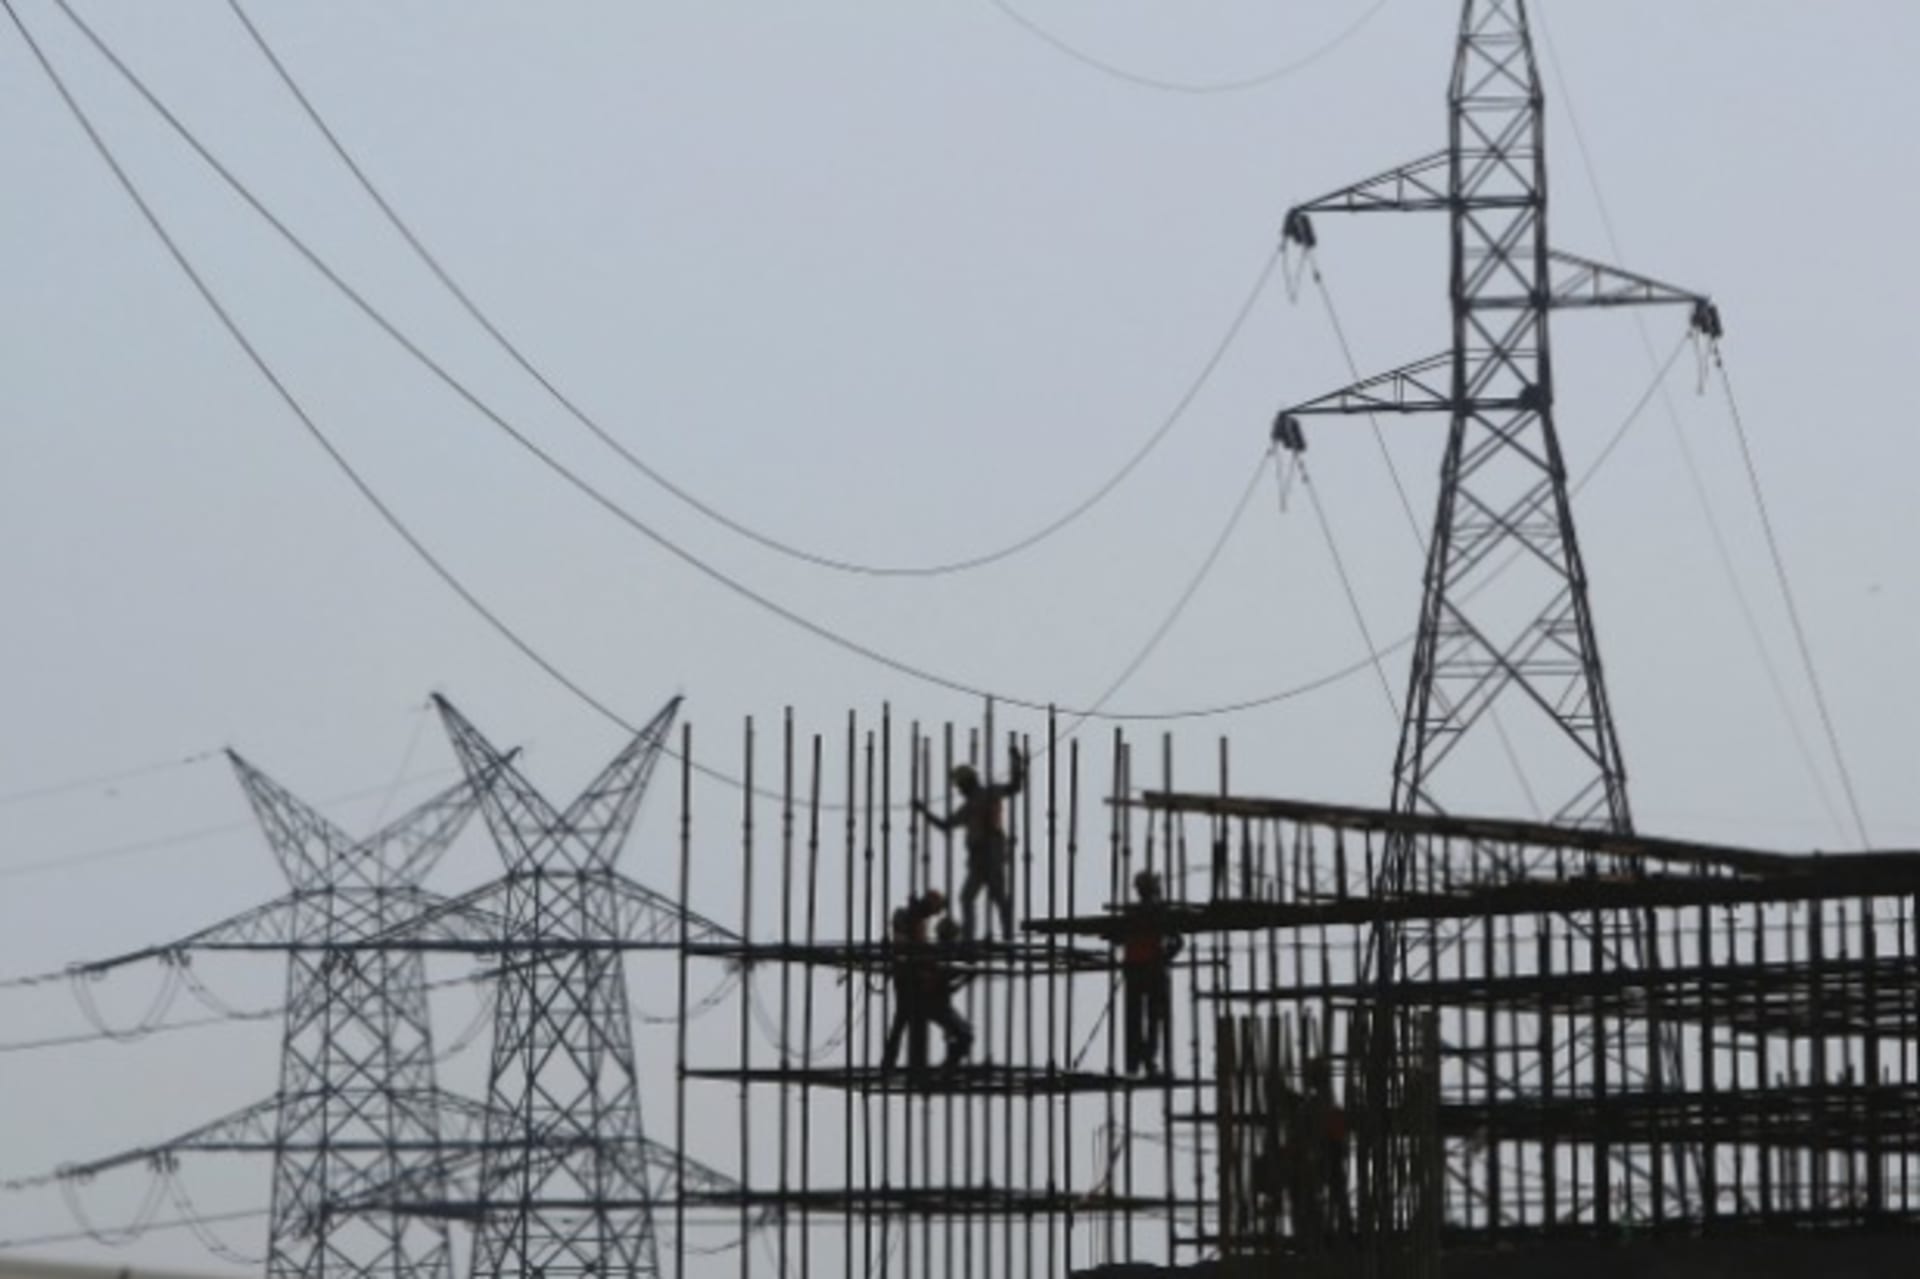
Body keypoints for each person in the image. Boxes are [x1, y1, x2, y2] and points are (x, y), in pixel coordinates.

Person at [915, 749, 1024, 941]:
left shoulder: (989, 793)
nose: (959, 790)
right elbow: (946, 825)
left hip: (992, 851)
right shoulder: (969, 806)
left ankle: (1006, 935)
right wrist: (923, 811)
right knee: (970, 897)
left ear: (967, 782)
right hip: (979, 856)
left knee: (996, 896)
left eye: (960, 786)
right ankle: (971, 938)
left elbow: (1015, 786)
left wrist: (1017, 764)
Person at [1116, 869, 1183, 1076]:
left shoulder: (1132, 913)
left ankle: (1135, 1062)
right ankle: (1147, 1059)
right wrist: (1165, 957)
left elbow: (1118, 937)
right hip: (1152, 970)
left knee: (1135, 1019)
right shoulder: (1159, 912)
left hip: (1134, 970)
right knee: (1154, 1018)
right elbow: (1178, 941)